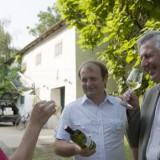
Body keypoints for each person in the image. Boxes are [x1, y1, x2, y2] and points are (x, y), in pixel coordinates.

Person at [53, 60, 131, 160]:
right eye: (84, 80)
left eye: (93, 78)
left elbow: (135, 139)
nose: (88, 84)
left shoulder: (121, 106)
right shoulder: (71, 109)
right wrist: (76, 148)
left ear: (105, 78)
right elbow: (57, 146)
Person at [121, 30, 160, 160]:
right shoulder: (150, 94)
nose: (143, 64)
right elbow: (135, 139)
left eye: (148, 56)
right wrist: (133, 112)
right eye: (141, 58)